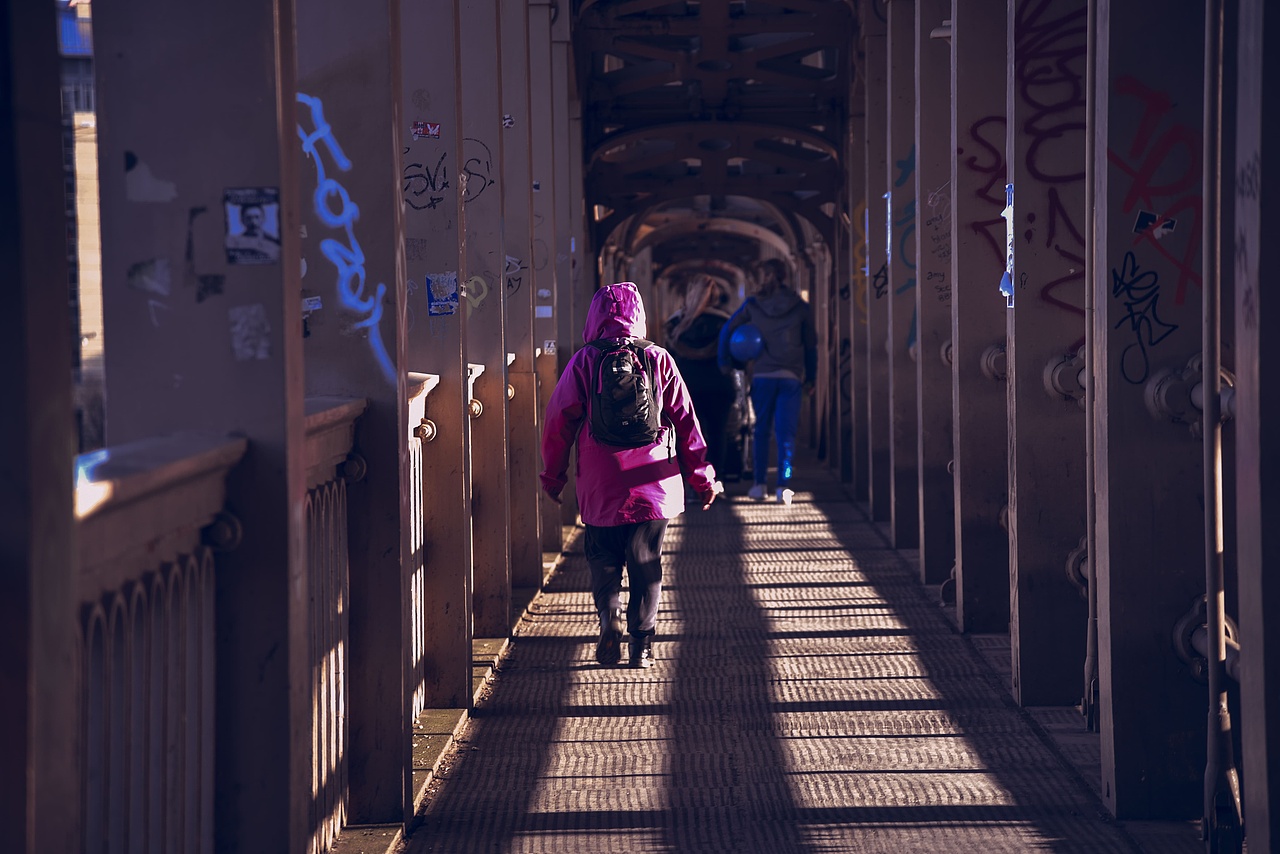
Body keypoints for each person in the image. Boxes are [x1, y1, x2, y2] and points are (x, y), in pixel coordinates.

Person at [541, 281, 720, 668]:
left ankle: (610, 617)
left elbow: (558, 421)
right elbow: (686, 421)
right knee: (646, 559)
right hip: (653, 482)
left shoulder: (585, 360)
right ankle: (642, 646)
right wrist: (703, 478)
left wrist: (553, 477)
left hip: (601, 479)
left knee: (602, 554)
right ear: (639, 314)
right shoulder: (658, 357)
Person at [717, 258, 817, 506]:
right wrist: (811, 377)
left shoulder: (753, 305)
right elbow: (810, 345)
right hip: (791, 377)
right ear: (785, 276)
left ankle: (759, 485)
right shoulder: (800, 306)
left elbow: (727, 329)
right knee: (786, 434)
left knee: (760, 431)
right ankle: (784, 486)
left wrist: (725, 361)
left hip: (762, 376)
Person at [663, 275, 741, 481]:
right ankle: (714, 482)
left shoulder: (675, 324)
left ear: (689, 294)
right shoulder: (725, 323)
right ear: (716, 297)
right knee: (718, 435)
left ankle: (691, 482)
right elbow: (734, 356)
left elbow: (667, 358)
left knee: (687, 436)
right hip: (719, 385)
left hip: (686, 387)